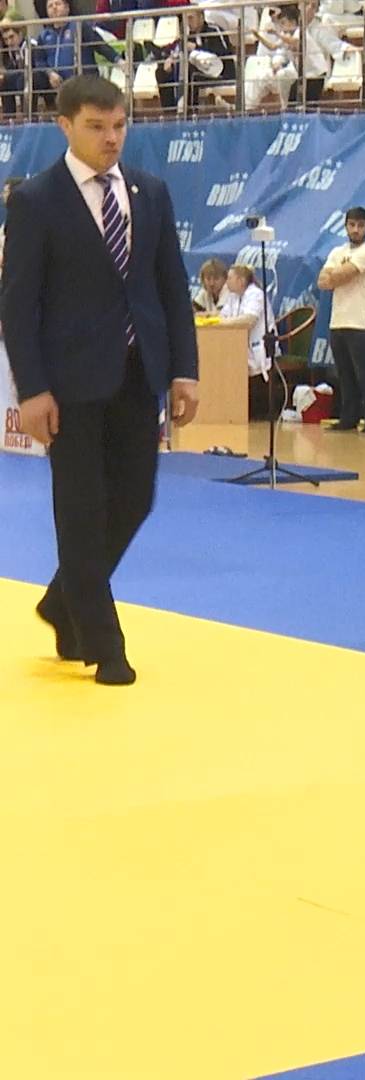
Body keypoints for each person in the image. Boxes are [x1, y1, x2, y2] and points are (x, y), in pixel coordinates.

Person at [4, 75, 199, 687]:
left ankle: (62, 599)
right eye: (96, 126)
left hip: (139, 373)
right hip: (67, 382)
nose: (110, 138)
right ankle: (103, 643)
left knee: (136, 498)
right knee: (81, 509)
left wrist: (185, 369)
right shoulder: (36, 200)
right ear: (64, 126)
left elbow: (172, 286)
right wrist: (31, 389)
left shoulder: (150, 192)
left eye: (118, 126)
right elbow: (18, 304)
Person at [318, 206, 365, 435]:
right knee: (344, 373)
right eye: (352, 225)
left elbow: (341, 275)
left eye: (360, 225)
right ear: (345, 226)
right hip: (338, 320)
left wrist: (334, 275)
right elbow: (322, 281)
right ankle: (348, 418)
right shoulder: (338, 251)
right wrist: (334, 276)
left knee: (364, 373)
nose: (355, 230)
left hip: (360, 323)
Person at [156, 7, 234, 113]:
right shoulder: (187, 35)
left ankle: (190, 112)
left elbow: (224, 53)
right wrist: (170, 59)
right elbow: (175, 50)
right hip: (197, 71)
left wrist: (197, 48)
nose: (188, 22)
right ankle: (171, 113)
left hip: (220, 73)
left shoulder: (214, 30)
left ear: (201, 17)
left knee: (191, 72)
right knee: (161, 72)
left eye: (191, 18)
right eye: (186, 19)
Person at [218, 264, 269, 377]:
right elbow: (222, 316)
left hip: (259, 347)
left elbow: (249, 320)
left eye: (229, 278)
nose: (226, 282)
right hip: (238, 345)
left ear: (241, 281)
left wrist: (224, 323)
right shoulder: (233, 296)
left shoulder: (255, 294)